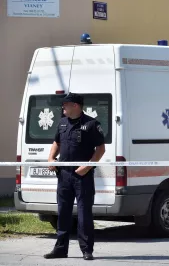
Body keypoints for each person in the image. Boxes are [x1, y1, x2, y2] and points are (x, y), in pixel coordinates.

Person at [44, 93, 106, 260]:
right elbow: (56, 143)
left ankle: (86, 250)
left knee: (84, 214)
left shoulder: (91, 124)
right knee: (63, 212)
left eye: (66, 104)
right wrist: (51, 158)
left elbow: (101, 149)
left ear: (76, 106)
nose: (63, 107)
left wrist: (88, 166)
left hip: (82, 176)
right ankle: (60, 249)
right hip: (64, 175)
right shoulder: (62, 123)